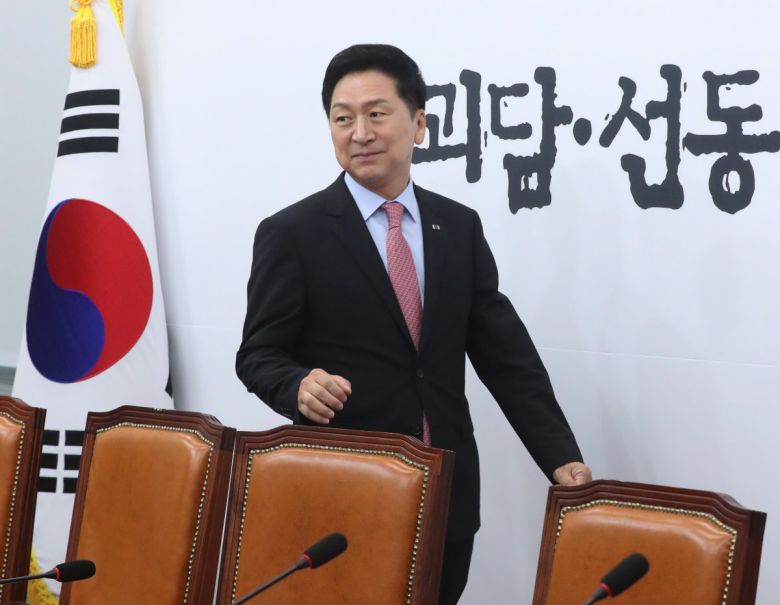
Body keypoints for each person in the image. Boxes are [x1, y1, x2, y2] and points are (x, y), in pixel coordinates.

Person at [236, 43, 592, 604]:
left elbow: (507, 358)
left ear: (419, 124)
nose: (360, 133)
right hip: (345, 495)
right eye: (343, 119)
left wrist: (561, 457)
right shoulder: (293, 233)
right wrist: (297, 385)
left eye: (377, 114)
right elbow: (257, 355)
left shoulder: (459, 227)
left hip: (447, 494)